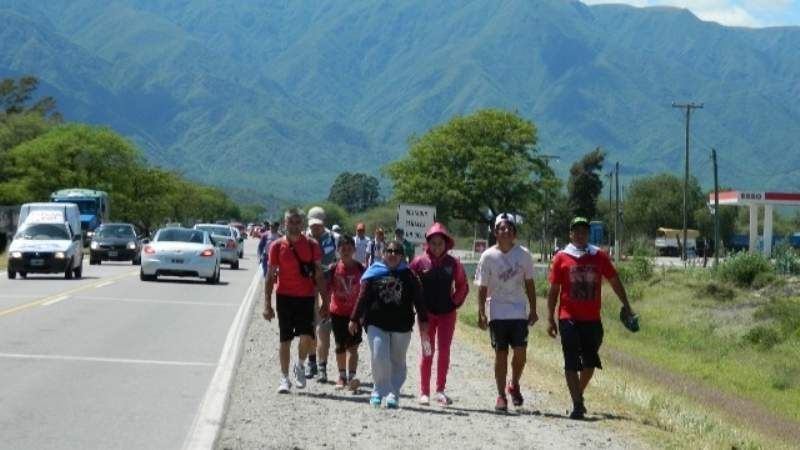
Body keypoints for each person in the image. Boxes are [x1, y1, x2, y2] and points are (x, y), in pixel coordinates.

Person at [546, 217, 635, 420]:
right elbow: (554, 290)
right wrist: (550, 317)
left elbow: (614, 281)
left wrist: (627, 305)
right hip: (568, 317)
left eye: (584, 232)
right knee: (571, 360)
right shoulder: (561, 257)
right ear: (570, 234)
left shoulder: (599, 256)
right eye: (576, 231)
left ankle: (578, 393)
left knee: (590, 362)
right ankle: (578, 405)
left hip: (592, 319)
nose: (580, 235)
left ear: (588, 234)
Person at [349, 240, 428, 408]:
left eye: (397, 251)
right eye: (389, 251)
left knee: (397, 359)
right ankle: (378, 390)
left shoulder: (409, 275)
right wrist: (354, 318)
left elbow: (419, 299)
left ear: (402, 256)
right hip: (376, 322)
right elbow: (363, 296)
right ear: (383, 253)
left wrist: (423, 320)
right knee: (379, 355)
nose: (393, 254)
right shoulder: (373, 272)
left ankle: (393, 392)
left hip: (402, 324)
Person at [262, 208, 330, 394]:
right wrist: (267, 304)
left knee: (307, 337)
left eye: (297, 222)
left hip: (306, 297)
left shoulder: (312, 245)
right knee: (285, 339)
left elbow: (319, 274)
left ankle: (299, 364)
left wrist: (325, 301)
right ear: (285, 223)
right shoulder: (277, 246)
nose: (294, 225)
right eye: (290, 222)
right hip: (284, 297)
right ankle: (284, 378)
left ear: (302, 224)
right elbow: (270, 276)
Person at [475, 213, 538, 411]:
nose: (506, 231)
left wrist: (533, 309)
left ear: (514, 233)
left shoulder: (524, 254)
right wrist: (481, 312)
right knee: (500, 353)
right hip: (497, 311)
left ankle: (514, 383)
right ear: (495, 233)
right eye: (502, 228)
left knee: (520, 353)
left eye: (510, 228)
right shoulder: (488, 256)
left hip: (518, 310)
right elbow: (482, 287)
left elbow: (529, 283)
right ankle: (501, 395)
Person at [409, 223, 468, 406]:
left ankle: (440, 390)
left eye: (440, 243)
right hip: (425, 316)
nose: (436, 247)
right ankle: (424, 392)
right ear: (427, 243)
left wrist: (454, 302)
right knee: (427, 351)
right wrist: (414, 306)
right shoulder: (419, 262)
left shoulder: (454, 263)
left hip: (447, 315)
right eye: (433, 243)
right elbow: (408, 283)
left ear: (446, 244)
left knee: (444, 351)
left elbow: (463, 285)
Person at [326, 234, 365, 391]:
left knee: (353, 347)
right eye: (343, 249)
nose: (346, 252)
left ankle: (351, 377)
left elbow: (365, 292)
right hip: (337, 313)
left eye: (349, 249)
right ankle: (342, 376)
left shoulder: (361, 269)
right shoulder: (333, 268)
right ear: (338, 250)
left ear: (354, 250)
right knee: (340, 346)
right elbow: (327, 289)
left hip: (355, 314)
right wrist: (324, 306)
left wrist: (362, 314)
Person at [305, 206, 339, 382]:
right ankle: (311, 362)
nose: (315, 228)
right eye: (312, 225)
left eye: (318, 225)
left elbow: (340, 259)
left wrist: (334, 266)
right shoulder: (303, 239)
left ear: (324, 223)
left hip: (327, 284)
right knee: (309, 324)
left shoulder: (333, 239)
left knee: (324, 326)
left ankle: (322, 366)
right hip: (308, 285)